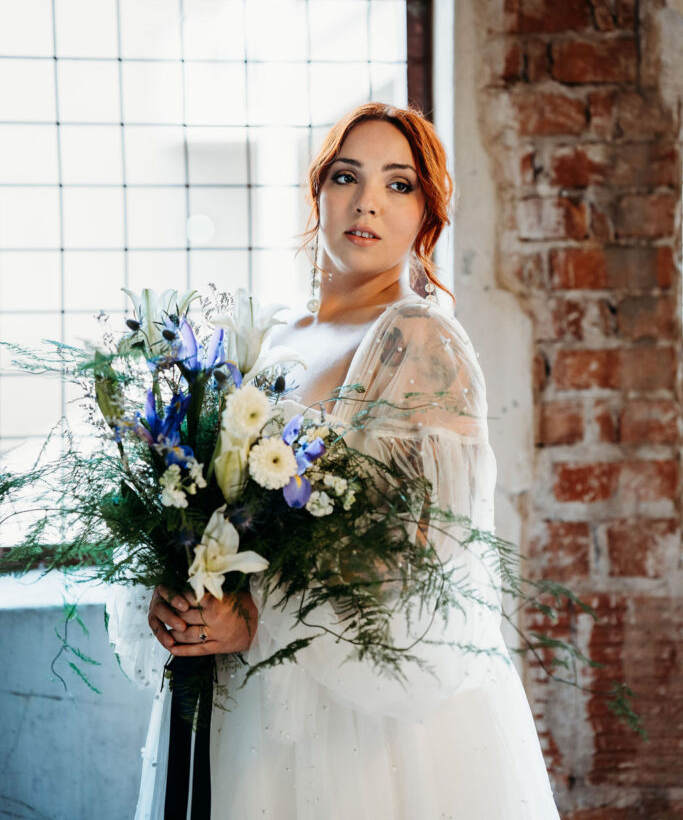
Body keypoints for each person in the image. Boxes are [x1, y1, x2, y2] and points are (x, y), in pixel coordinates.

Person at [107, 103, 561, 819]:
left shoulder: (417, 342)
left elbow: (425, 565)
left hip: (352, 717)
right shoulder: (267, 332)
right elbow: (197, 495)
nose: (367, 203)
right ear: (317, 191)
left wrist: (255, 614)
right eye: (346, 176)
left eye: (398, 185)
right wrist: (172, 586)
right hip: (236, 696)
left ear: (427, 216)